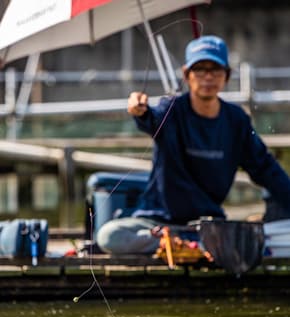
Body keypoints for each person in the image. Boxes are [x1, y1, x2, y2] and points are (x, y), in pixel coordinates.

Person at [97, 35, 290, 254]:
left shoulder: (236, 120)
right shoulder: (171, 109)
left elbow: (266, 168)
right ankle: (182, 246)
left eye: (215, 69)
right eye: (200, 69)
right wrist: (139, 110)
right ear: (187, 74)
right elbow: (150, 119)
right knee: (109, 235)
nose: (208, 77)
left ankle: (195, 246)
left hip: (208, 227)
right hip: (157, 224)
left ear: (226, 75)